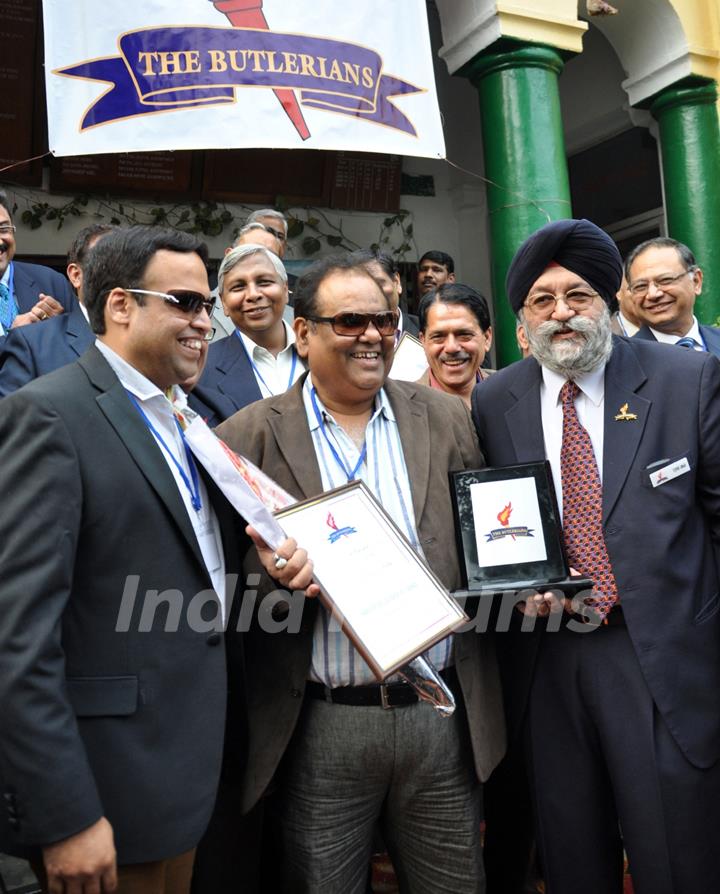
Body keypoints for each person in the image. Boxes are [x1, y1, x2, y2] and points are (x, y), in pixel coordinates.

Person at [0, 225, 313, 894]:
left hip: (190, 779)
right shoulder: (49, 417)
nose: (207, 322)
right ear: (119, 306)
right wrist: (65, 816)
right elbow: (17, 638)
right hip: (107, 790)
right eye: (186, 303)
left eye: (208, 306)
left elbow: (193, 568)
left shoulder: (189, 419)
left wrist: (273, 568)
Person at [217, 254, 505, 894]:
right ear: (302, 332)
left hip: (443, 718)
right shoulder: (248, 437)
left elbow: (484, 540)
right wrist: (272, 580)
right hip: (322, 725)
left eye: (383, 320)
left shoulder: (447, 417)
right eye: (350, 321)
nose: (372, 335)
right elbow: (228, 588)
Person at [472, 217, 720, 894]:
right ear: (523, 319)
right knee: (572, 856)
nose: (562, 313)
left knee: (675, 857)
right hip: (548, 661)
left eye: (577, 295)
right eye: (542, 301)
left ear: (611, 301)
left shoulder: (687, 380)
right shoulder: (497, 399)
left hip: (660, 661)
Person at [190, 245, 304, 426]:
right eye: (238, 287)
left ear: (285, 289)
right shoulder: (200, 370)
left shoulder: (323, 354)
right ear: (224, 303)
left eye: (264, 282)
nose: (253, 295)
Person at [0, 223, 115, 396]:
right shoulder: (26, 343)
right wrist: (17, 339)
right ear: (75, 275)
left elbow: (73, 335)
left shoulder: (49, 280)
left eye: (3, 229)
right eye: (110, 265)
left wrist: (54, 333)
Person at [0, 191, 75, 344]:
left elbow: (83, 343)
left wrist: (59, 329)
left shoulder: (52, 282)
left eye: (3, 229)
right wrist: (11, 340)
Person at [627, 236, 720, 355]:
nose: (653, 294)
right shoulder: (623, 359)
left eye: (665, 280)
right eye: (640, 286)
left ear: (696, 281)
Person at [417, 283, 493, 405]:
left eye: (463, 334)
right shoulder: (401, 409)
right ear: (423, 341)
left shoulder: (513, 392)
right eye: (438, 337)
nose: (451, 348)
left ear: (487, 338)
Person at [351, 248, 420, 337]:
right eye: (361, 287)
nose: (371, 293)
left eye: (378, 284)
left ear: (397, 282)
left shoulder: (424, 329)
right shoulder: (346, 334)